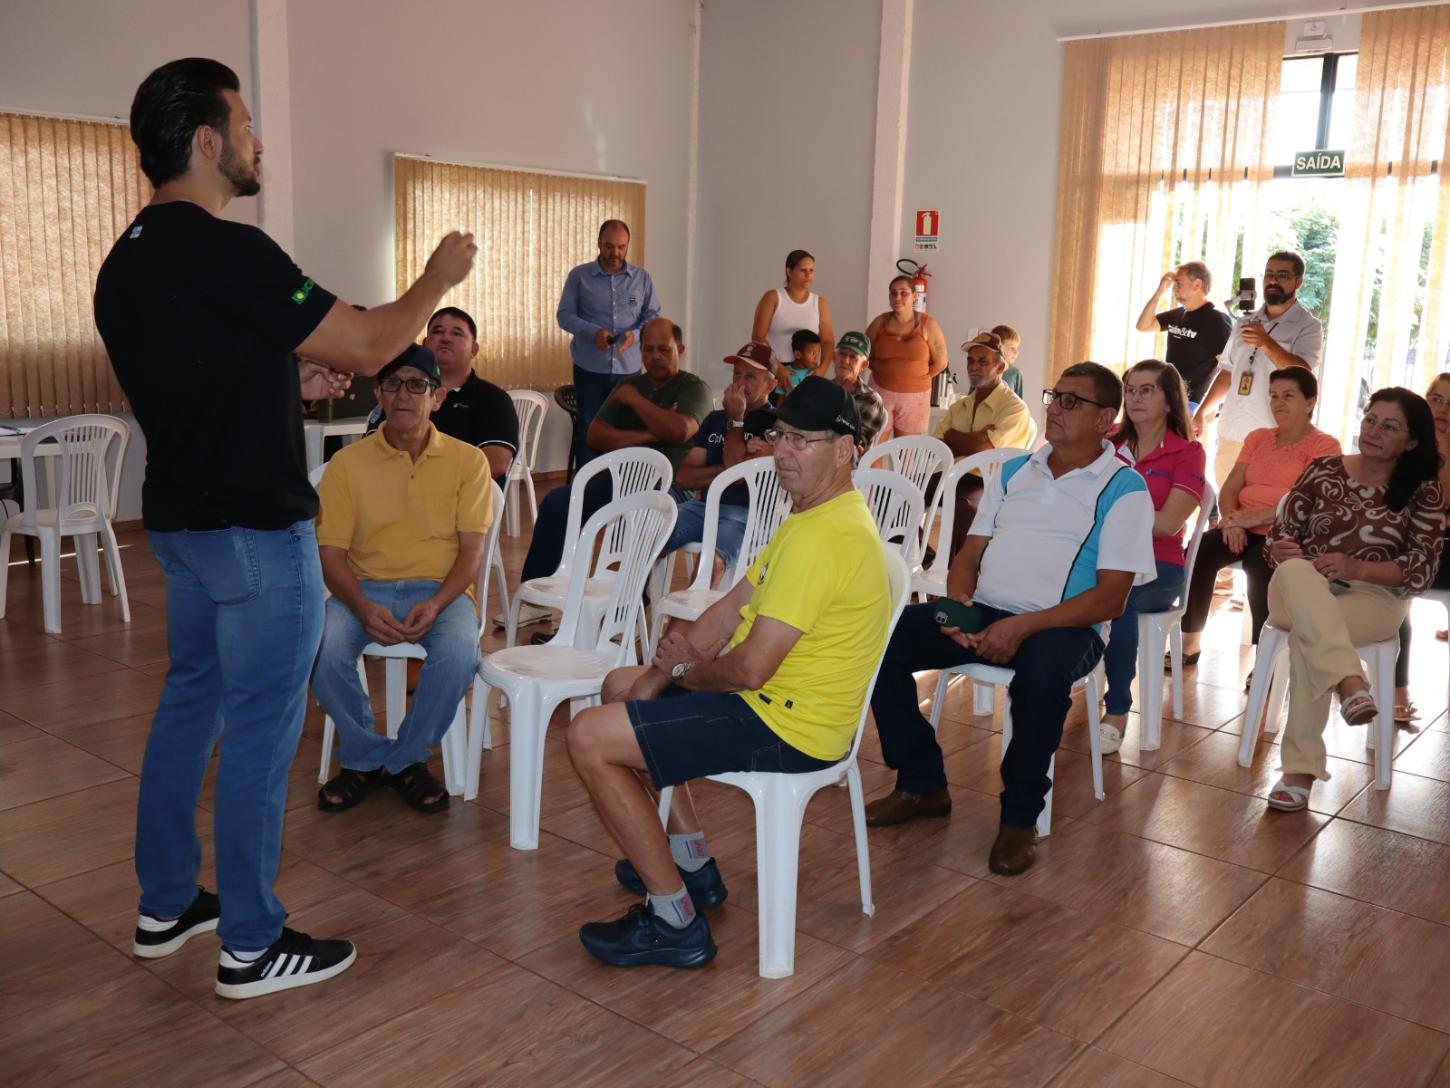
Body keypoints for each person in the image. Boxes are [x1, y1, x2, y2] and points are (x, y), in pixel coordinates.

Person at [94, 57, 475, 999]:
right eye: (246, 123)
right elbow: (370, 343)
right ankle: (253, 944)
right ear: (207, 141)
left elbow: (194, 376)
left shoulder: (125, 261)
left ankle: (167, 904)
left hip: (181, 526)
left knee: (191, 706)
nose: (257, 141)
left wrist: (280, 379)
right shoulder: (230, 249)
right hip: (257, 534)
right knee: (264, 729)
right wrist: (436, 278)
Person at [565, 377, 890, 967]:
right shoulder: (810, 516)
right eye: (780, 435)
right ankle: (692, 867)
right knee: (619, 687)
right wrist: (658, 676)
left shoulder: (826, 537)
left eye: (802, 440)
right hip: (772, 706)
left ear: (845, 450)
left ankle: (675, 923)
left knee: (589, 736)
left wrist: (683, 670)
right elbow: (732, 606)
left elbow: (750, 669)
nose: (782, 451)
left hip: (788, 727)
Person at [865, 363, 1155, 875]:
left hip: (1066, 626)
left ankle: (1020, 818)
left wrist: (1021, 627)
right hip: (986, 610)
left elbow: (1111, 599)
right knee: (884, 639)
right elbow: (970, 552)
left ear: (1104, 419)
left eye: (1072, 401)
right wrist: (957, 609)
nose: (1055, 408)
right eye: (1055, 396)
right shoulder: (1015, 471)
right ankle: (922, 781)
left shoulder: (1124, 489)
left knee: (1041, 677)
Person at [312, 346, 489, 813]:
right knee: (320, 647)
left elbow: (472, 553)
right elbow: (330, 554)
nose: (404, 394)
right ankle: (365, 755)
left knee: (459, 653)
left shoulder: (468, 462)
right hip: (362, 589)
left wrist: (438, 603)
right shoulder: (348, 464)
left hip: (442, 591)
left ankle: (407, 757)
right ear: (378, 394)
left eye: (417, 385)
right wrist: (361, 605)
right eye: (393, 383)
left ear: (438, 397)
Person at [1261, 388, 1443, 812]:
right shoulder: (1323, 469)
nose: (1373, 431)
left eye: (1389, 427)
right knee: (1295, 572)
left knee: (1311, 636)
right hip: (1296, 586)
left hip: (1373, 596)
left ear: (1412, 442)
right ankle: (1350, 681)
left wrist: (1357, 568)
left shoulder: (1423, 490)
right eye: (1370, 419)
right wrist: (1279, 549)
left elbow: (1421, 569)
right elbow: (1278, 537)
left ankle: (1299, 772)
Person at [511, 318, 712, 626]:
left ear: (680, 350)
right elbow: (596, 435)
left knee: (639, 517)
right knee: (558, 502)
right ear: (640, 353)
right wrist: (652, 432)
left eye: (664, 349)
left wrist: (635, 403)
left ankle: (626, 608)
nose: (655, 357)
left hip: (669, 487)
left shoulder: (693, 388)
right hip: (618, 481)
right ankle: (539, 599)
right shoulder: (629, 385)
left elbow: (680, 430)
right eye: (649, 350)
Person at [1179, 368, 1340, 668]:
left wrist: (1246, 520)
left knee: (1261, 565)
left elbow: (1304, 501)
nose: (1278, 403)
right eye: (1273, 396)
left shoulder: (1325, 445)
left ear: (1310, 402)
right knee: (1199, 550)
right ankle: (1190, 642)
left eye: (1288, 396)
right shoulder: (1258, 438)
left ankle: (1265, 660)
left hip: (1287, 533)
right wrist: (1231, 520)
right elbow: (1231, 487)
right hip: (1241, 525)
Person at [1097, 361, 1206, 754]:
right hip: (1102, 557)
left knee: (1118, 597)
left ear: (1169, 400)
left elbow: (1168, 524)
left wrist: (1106, 513)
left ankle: (1117, 709)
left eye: (1147, 390)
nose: (1135, 398)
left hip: (1161, 565)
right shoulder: (1108, 442)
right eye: (1130, 390)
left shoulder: (1187, 452)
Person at [1194, 251, 1323, 485]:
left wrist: (1266, 343)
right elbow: (1227, 372)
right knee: (1227, 504)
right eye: (1269, 274)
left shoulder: (1308, 326)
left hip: (1274, 437)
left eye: (1282, 275)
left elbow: (1303, 372)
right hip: (1233, 432)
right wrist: (1202, 412)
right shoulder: (1245, 321)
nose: (1273, 281)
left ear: (1298, 281)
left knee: (1261, 503)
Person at [367, 306, 518, 483]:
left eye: (457, 333)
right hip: (394, 490)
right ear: (425, 344)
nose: (446, 338)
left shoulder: (493, 400)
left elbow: (495, 464)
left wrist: (423, 479)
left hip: (463, 495)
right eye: (438, 332)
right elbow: (372, 452)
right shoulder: (399, 395)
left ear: (474, 349)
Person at [663, 342, 779, 570]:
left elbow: (736, 475)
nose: (740, 383)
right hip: (703, 507)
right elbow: (684, 478)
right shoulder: (715, 419)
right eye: (737, 374)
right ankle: (630, 593)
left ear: (771, 384)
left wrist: (736, 420)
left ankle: (701, 596)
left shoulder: (776, 424)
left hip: (750, 514)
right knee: (648, 538)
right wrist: (733, 468)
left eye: (750, 377)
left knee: (710, 562)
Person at [556, 219, 661, 464]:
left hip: (629, 372)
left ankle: (623, 486)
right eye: (609, 246)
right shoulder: (579, 276)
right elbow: (564, 315)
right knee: (589, 431)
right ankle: (588, 486)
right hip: (589, 370)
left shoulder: (641, 278)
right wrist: (592, 332)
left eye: (621, 247)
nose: (615, 253)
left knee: (627, 432)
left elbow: (653, 315)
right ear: (599, 243)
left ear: (627, 246)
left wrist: (635, 334)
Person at [931, 332, 1037, 557]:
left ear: (1000, 367)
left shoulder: (1014, 408)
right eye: (970, 361)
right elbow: (939, 446)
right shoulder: (960, 406)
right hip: (952, 475)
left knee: (964, 508)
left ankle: (953, 572)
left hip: (988, 482)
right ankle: (926, 558)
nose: (974, 367)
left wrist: (955, 437)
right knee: (896, 493)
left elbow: (983, 448)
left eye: (983, 361)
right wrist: (971, 440)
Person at [1392, 373, 1450, 724]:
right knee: (1395, 589)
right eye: (1437, 399)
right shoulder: (1405, 447)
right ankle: (1398, 689)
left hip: (1446, 553)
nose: (1442, 410)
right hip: (1408, 547)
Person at [1134, 262, 1233, 410]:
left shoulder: (1216, 319)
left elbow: (1228, 369)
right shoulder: (1178, 314)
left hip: (1192, 403)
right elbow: (1143, 325)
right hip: (1168, 398)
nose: (1175, 287)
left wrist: (1207, 409)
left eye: (1179, 283)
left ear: (1197, 284)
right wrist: (1159, 292)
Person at [865, 275, 949, 435]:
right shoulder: (879, 322)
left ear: (914, 296)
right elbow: (864, 354)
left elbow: (941, 362)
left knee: (907, 449)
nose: (898, 297)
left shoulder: (928, 324)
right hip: (881, 391)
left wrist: (917, 378)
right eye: (893, 293)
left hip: (915, 398)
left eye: (903, 293)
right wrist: (884, 372)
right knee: (874, 445)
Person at [751, 248, 835, 370]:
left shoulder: (820, 303)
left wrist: (822, 370)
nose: (808, 275)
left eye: (811, 270)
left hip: (808, 372)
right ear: (789, 271)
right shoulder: (772, 298)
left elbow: (827, 341)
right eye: (803, 270)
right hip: (774, 371)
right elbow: (758, 337)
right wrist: (778, 369)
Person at [832, 331, 890, 445]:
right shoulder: (822, 389)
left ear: (863, 365)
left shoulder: (870, 399)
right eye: (842, 354)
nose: (845, 360)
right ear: (834, 357)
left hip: (844, 453)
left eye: (853, 357)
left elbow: (858, 443)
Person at [773, 328, 822, 397]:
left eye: (818, 353)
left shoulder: (815, 374)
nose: (816, 358)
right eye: (813, 353)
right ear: (798, 354)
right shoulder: (784, 373)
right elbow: (780, 399)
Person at [993, 325, 1025, 399]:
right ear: (998, 347)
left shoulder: (1015, 373)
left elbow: (1020, 402)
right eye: (1012, 348)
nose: (1017, 352)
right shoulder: (983, 369)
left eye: (1017, 348)